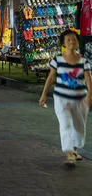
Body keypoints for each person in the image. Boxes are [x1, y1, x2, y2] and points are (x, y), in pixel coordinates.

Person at [39, 30, 92, 167]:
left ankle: (74, 150)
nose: (71, 42)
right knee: (65, 125)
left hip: (80, 99)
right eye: (68, 40)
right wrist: (44, 94)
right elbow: (51, 78)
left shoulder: (83, 61)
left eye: (73, 39)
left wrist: (90, 95)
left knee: (79, 126)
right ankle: (69, 155)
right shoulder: (57, 60)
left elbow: (88, 79)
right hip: (61, 99)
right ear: (63, 43)